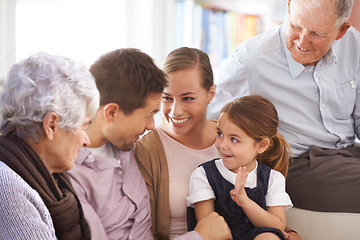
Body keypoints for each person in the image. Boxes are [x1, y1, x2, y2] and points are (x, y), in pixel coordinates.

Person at [207, 0, 360, 214]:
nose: (302, 41)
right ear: (289, 8)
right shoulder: (250, 61)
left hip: (349, 152)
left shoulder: (354, 45)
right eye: (296, 26)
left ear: (342, 30)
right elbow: (209, 120)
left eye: (317, 33)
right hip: (298, 163)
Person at [68, 48, 232, 240]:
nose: (152, 126)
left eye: (187, 98)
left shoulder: (128, 149)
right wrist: (200, 237)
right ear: (112, 113)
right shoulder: (72, 174)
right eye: (148, 115)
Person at [0, 52, 99, 239]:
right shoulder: (7, 190)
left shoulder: (53, 181)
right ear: (51, 125)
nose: (87, 141)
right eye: (84, 126)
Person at [135, 47, 220, 239]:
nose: (175, 111)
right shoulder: (148, 150)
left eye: (188, 98)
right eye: (167, 98)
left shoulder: (235, 137)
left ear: (211, 93)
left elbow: (263, 196)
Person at [188, 95, 293, 240]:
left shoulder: (273, 179)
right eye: (220, 134)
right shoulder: (203, 175)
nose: (223, 145)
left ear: (261, 145)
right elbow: (207, 228)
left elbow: (278, 226)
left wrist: (245, 201)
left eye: (234, 139)